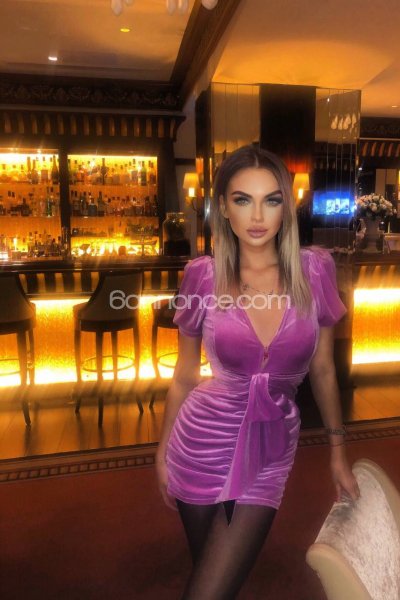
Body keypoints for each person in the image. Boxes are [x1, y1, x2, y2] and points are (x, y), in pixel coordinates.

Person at [156, 145, 360, 599]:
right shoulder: (203, 276)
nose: (257, 215)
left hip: (270, 448)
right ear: (223, 208)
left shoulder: (314, 271)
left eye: (271, 199)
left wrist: (337, 453)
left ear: (286, 206)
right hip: (200, 442)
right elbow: (185, 375)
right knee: (213, 576)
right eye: (242, 199)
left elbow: (323, 370)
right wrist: (162, 449)